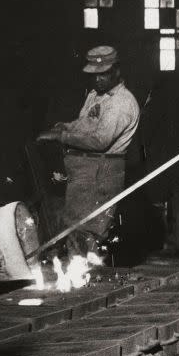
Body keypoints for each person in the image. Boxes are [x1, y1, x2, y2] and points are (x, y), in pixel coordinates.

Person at [36, 45, 140, 257]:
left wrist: (61, 137)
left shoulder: (122, 102)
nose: (98, 79)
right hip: (85, 170)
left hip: (101, 170)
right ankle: (79, 276)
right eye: (94, 75)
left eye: (104, 74)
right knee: (74, 225)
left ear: (117, 71)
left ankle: (87, 280)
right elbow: (85, 124)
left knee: (89, 229)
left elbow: (100, 140)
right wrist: (65, 127)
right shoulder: (96, 95)